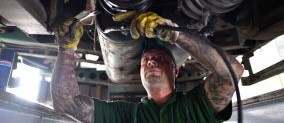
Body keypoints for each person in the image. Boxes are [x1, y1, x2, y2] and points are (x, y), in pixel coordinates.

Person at [51, 12, 244, 123]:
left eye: (160, 58)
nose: (151, 61)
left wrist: (176, 36)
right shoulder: (128, 115)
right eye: (146, 60)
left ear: (175, 70)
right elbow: (66, 104)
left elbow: (232, 72)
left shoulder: (196, 106)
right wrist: (66, 49)